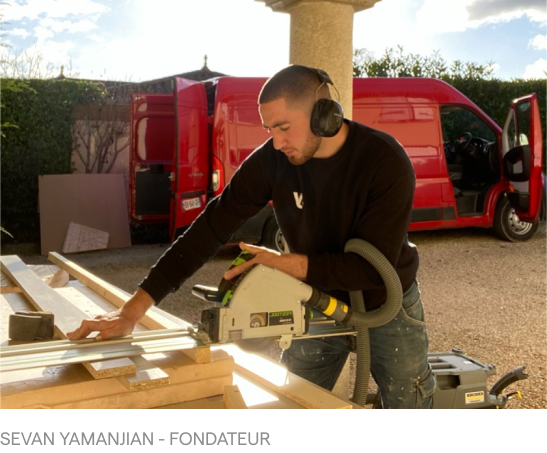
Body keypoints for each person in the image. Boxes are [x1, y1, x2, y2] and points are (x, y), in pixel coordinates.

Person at [68, 64, 435, 409]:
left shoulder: (384, 161)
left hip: (387, 302)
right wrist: (132, 311)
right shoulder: (273, 161)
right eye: (269, 130)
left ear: (326, 115)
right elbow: (211, 227)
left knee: (409, 398)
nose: (277, 143)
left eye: (284, 127)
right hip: (316, 297)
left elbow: (374, 270)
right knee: (296, 397)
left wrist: (287, 265)